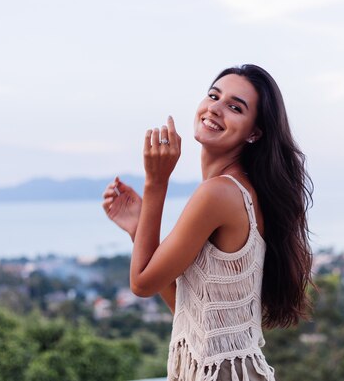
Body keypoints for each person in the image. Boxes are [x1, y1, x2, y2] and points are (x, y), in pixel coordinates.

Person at [102, 64, 314, 381]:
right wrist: (137, 229)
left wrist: (156, 183)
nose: (215, 108)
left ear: (254, 132)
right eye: (214, 95)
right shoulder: (233, 191)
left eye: (234, 107)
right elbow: (193, 311)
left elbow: (141, 284)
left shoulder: (219, 193)